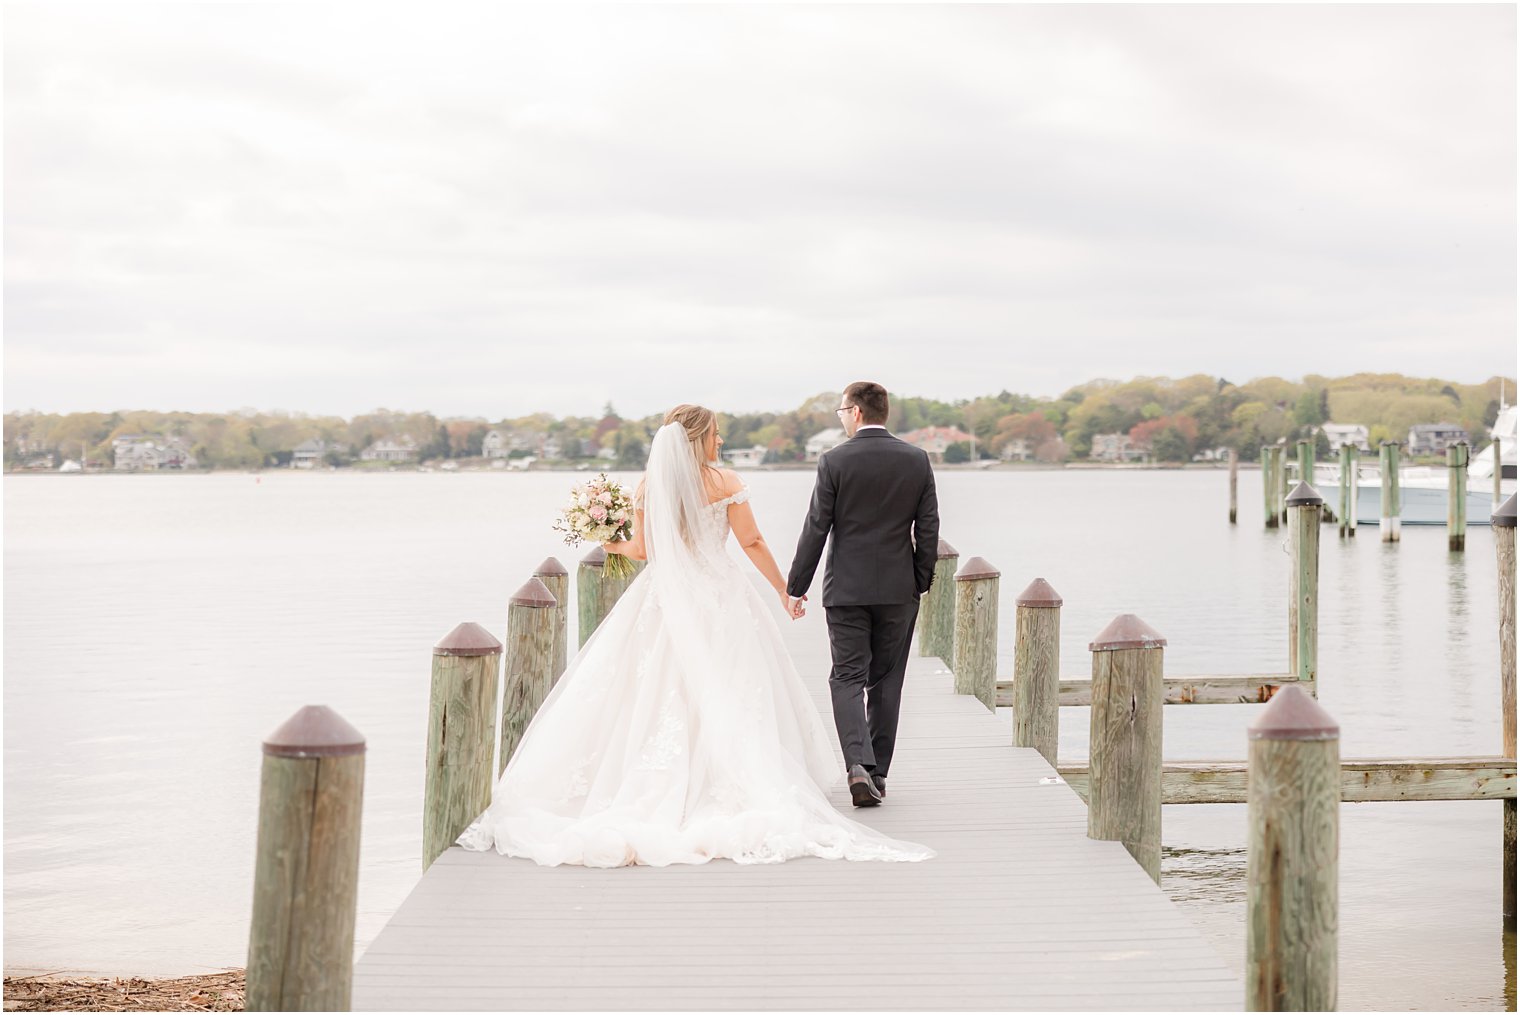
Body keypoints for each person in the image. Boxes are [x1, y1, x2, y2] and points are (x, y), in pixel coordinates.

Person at [458, 404, 932, 867]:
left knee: (654, 687)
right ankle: (729, 778)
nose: (721, 441)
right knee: (731, 685)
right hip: (723, 597)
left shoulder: (652, 485)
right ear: (698, 438)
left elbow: (641, 550)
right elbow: (751, 542)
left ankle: (660, 783)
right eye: (716, 434)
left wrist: (606, 538)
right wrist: (786, 591)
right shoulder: (724, 483)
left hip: (664, 596)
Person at [786, 382, 940, 807]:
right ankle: (878, 773)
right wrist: (920, 580)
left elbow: (817, 526)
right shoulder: (916, 460)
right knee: (887, 680)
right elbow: (928, 528)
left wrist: (796, 587)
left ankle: (857, 764)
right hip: (898, 590)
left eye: (840, 410)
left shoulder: (834, 461)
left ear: (855, 412)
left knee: (847, 676)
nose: (840, 417)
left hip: (847, 590)